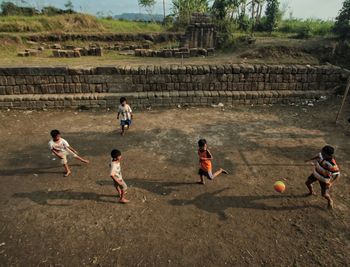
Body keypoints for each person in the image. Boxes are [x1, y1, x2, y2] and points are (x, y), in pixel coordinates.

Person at [305, 145, 340, 209]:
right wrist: (310, 159)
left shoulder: (332, 165)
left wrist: (331, 183)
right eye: (322, 152)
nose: (321, 154)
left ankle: (330, 200)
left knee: (324, 194)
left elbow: (337, 174)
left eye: (323, 154)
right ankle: (311, 192)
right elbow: (318, 155)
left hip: (324, 180)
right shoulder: (322, 154)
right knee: (307, 183)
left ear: (330, 155)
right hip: (316, 174)